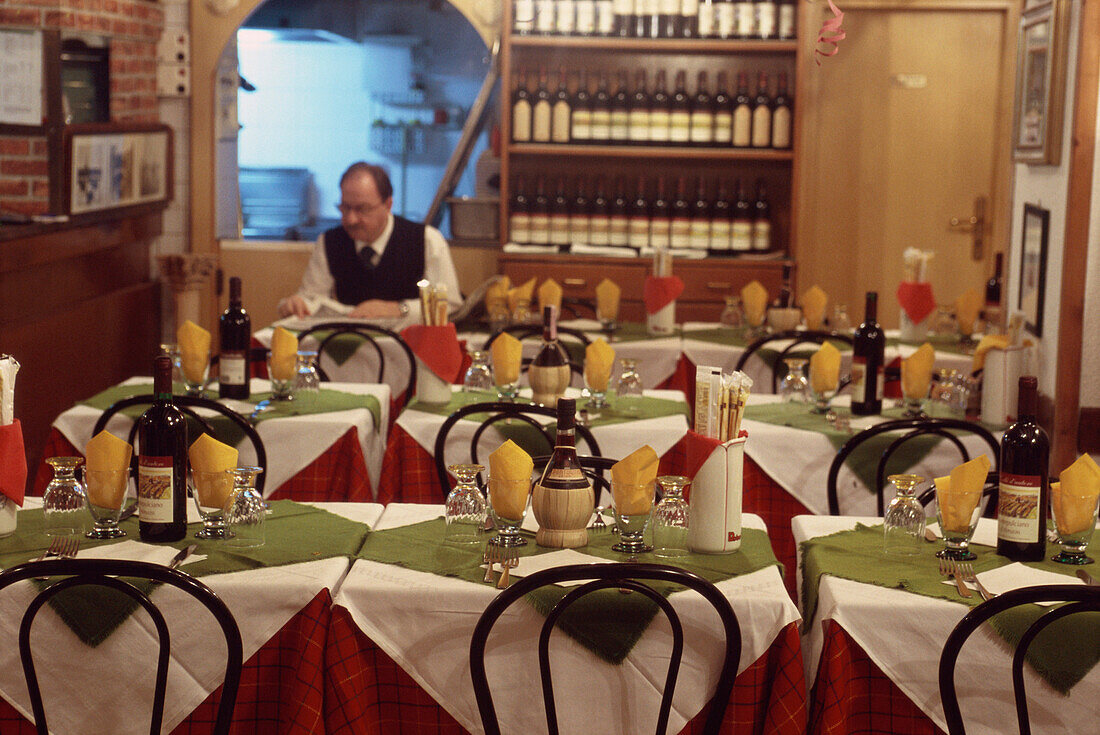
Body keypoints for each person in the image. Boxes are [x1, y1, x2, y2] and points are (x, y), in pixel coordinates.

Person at [278, 162, 462, 320]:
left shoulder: (426, 239)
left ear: (388, 205)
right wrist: (296, 304)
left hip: (412, 348)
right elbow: (312, 298)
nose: (351, 219)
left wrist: (399, 309)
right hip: (348, 349)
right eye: (345, 208)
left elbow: (450, 305)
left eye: (362, 209)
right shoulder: (330, 241)